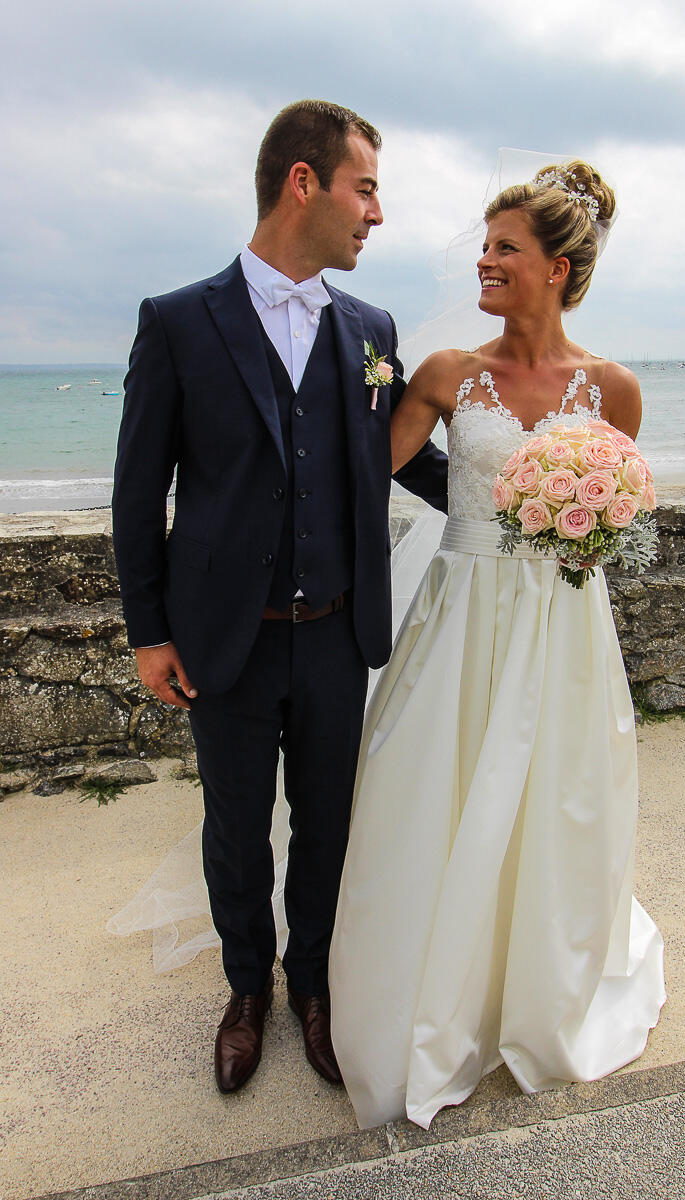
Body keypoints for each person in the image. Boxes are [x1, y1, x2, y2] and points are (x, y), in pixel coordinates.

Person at [111, 99, 448, 1096]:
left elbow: (397, 456)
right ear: (303, 182)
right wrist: (148, 631)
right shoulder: (178, 321)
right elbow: (138, 488)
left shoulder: (371, 330)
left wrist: (519, 495)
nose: (376, 214)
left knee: (328, 822)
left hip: (338, 634)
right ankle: (247, 990)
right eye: (365, 189)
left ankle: (313, 988)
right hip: (227, 638)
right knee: (234, 827)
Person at [329, 160, 666, 1130]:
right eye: (482, 246)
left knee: (553, 797)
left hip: (560, 628)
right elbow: (363, 472)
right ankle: (423, 985)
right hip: (459, 616)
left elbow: (617, 527)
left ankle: (533, 986)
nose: (483, 260)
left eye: (503, 248)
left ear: (556, 268)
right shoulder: (446, 374)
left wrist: (580, 531)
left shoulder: (612, 389)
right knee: (424, 785)